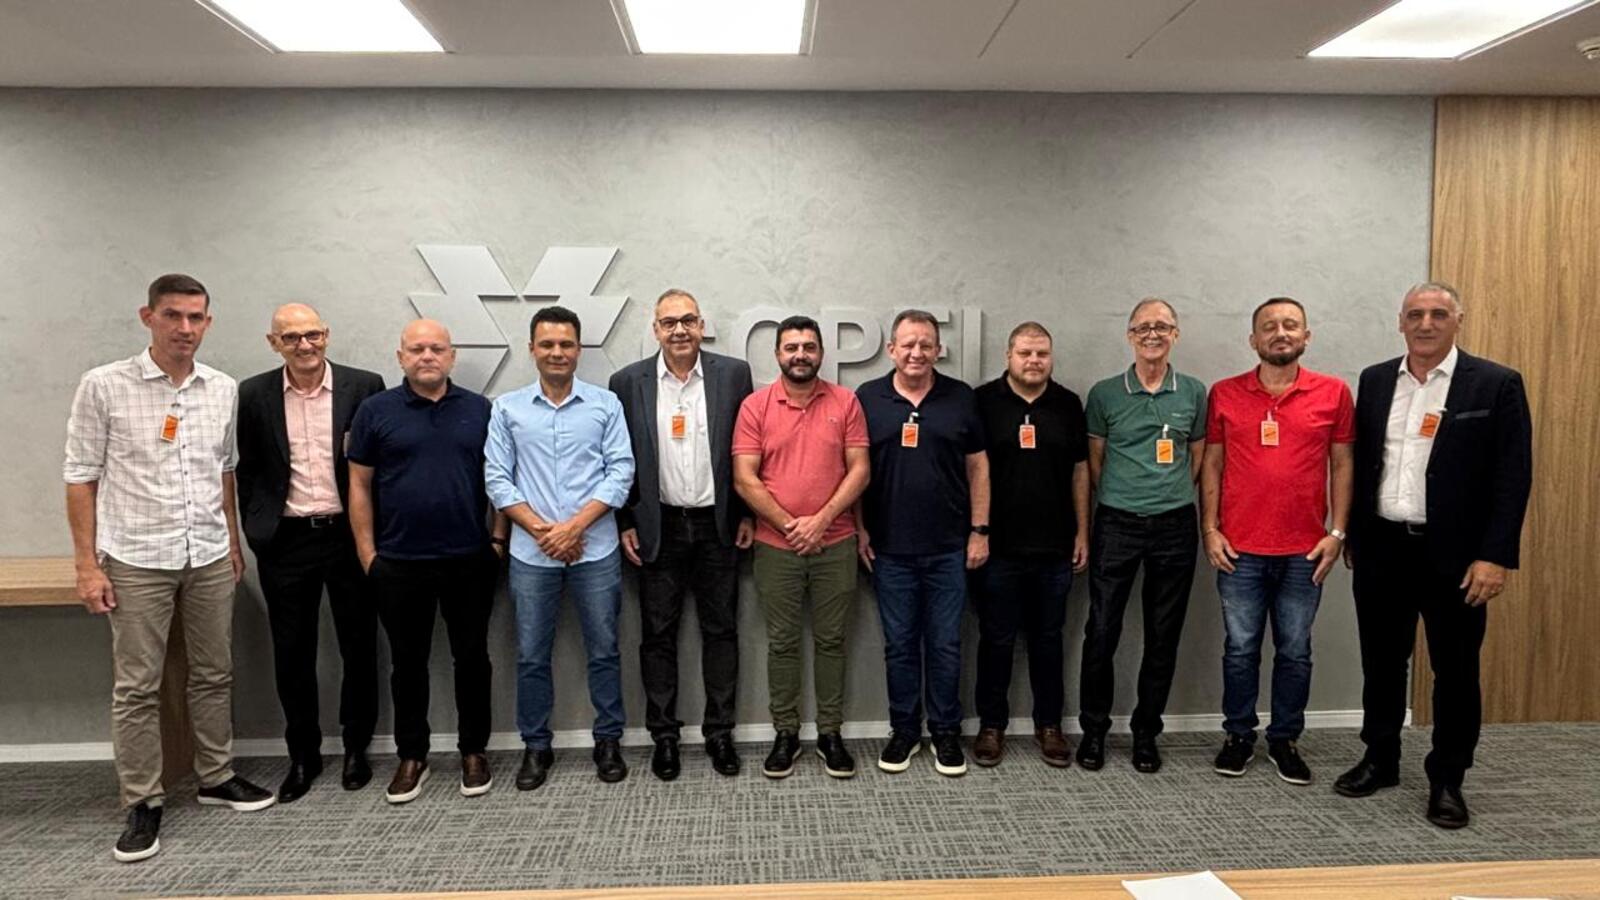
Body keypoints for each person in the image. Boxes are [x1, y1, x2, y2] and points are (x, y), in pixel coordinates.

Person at [64, 273, 276, 864]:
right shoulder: (105, 385)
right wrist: (86, 565)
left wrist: (231, 541)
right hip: (136, 558)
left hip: (206, 553)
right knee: (138, 686)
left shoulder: (221, 388)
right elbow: (80, 477)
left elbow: (224, 470)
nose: (185, 328)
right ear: (148, 317)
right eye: (173, 316)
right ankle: (142, 801)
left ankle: (216, 775)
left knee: (213, 673)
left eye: (195, 317)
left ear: (208, 322)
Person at [1335, 282, 1532, 829]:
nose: (1426, 324)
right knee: (1381, 663)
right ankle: (1380, 758)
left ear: (1458, 320)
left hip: (1457, 557)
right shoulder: (1375, 380)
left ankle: (1448, 777)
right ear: (1400, 322)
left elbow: (1513, 477)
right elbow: (1365, 461)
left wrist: (1495, 556)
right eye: (1416, 314)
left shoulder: (1494, 383)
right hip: (1382, 548)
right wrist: (1353, 534)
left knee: (1455, 670)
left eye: (1438, 314)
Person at [347, 319, 507, 805]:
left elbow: (500, 478)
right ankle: (411, 755)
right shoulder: (375, 411)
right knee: (407, 664)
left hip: (469, 559)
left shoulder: (480, 410)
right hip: (398, 562)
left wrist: (498, 539)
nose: (427, 356)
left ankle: (473, 751)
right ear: (401, 357)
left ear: (452, 356)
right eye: (416, 349)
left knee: (473, 660)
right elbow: (358, 485)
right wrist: (368, 555)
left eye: (436, 348)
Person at [235, 303, 385, 802]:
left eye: (313, 334)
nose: (304, 345)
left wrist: (372, 537)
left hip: (348, 535)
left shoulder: (363, 386)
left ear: (327, 335)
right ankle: (303, 755)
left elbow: (379, 464)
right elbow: (248, 468)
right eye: (292, 337)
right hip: (286, 539)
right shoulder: (253, 394)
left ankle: (357, 748)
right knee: (292, 652)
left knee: (358, 647)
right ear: (273, 343)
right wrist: (256, 528)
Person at [1200, 297, 1354, 785]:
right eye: (1269, 326)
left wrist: (1337, 533)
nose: (1280, 332)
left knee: (1295, 651)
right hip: (1239, 549)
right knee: (1240, 650)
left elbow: (1343, 464)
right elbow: (1212, 464)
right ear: (1253, 340)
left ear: (1307, 336)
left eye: (1291, 325)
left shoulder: (1333, 393)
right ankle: (1238, 736)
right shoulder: (1225, 393)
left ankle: (1285, 739)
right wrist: (1210, 529)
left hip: (1305, 551)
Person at [487, 306, 635, 790]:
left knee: (604, 650)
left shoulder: (606, 405)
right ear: (531, 349)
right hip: (532, 555)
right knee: (531, 654)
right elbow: (497, 479)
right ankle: (536, 746)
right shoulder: (507, 409)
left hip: (596, 550)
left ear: (579, 349)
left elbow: (621, 471)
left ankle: (608, 740)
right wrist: (544, 532)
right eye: (547, 344)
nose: (557, 352)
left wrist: (574, 528)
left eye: (566, 344)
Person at [608, 289, 753, 781]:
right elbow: (619, 458)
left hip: (718, 524)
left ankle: (720, 733)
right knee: (657, 636)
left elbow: (746, 450)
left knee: (722, 631)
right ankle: (664, 736)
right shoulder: (627, 382)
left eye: (688, 320)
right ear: (655, 329)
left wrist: (747, 514)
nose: (679, 330)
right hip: (659, 526)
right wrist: (626, 521)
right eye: (669, 322)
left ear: (701, 325)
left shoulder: (733, 375)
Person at [733, 315, 871, 778]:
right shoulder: (755, 406)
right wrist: (792, 526)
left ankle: (830, 733)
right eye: (791, 347)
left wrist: (822, 521)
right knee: (782, 643)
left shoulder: (846, 402)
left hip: (836, 543)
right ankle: (786, 733)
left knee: (832, 641)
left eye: (809, 347)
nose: (800, 355)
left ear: (821, 354)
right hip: (776, 546)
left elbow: (860, 470)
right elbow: (744, 478)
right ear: (777, 354)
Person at [856, 309, 989, 778]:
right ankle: (905, 731)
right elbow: (855, 470)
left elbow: (979, 467)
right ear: (891, 349)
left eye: (926, 344)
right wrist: (859, 528)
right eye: (908, 344)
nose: (917, 352)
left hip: (949, 547)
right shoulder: (868, 398)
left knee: (946, 645)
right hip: (888, 548)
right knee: (899, 646)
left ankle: (946, 732)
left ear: (938, 349)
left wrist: (979, 530)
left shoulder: (960, 397)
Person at [1077, 298, 1207, 774]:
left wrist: (1167, 493)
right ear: (1130, 336)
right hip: (1117, 523)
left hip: (1175, 525)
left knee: (1163, 635)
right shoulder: (1105, 394)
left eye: (1162, 326)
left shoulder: (1193, 392)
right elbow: (1095, 462)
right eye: (1143, 327)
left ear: (1176, 334)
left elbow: (1198, 457)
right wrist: (1125, 494)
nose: (1153, 334)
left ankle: (1146, 732)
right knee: (1101, 631)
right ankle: (1093, 730)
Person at [970, 321, 1089, 768]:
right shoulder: (983, 402)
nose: (1034, 361)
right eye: (1025, 353)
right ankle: (991, 725)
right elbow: (971, 470)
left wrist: (1082, 531)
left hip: (1055, 548)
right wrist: (976, 531)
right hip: (997, 548)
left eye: (1042, 353)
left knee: (1048, 641)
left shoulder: (1068, 404)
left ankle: (1050, 726)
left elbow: (1081, 471)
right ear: (1008, 356)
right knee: (996, 640)